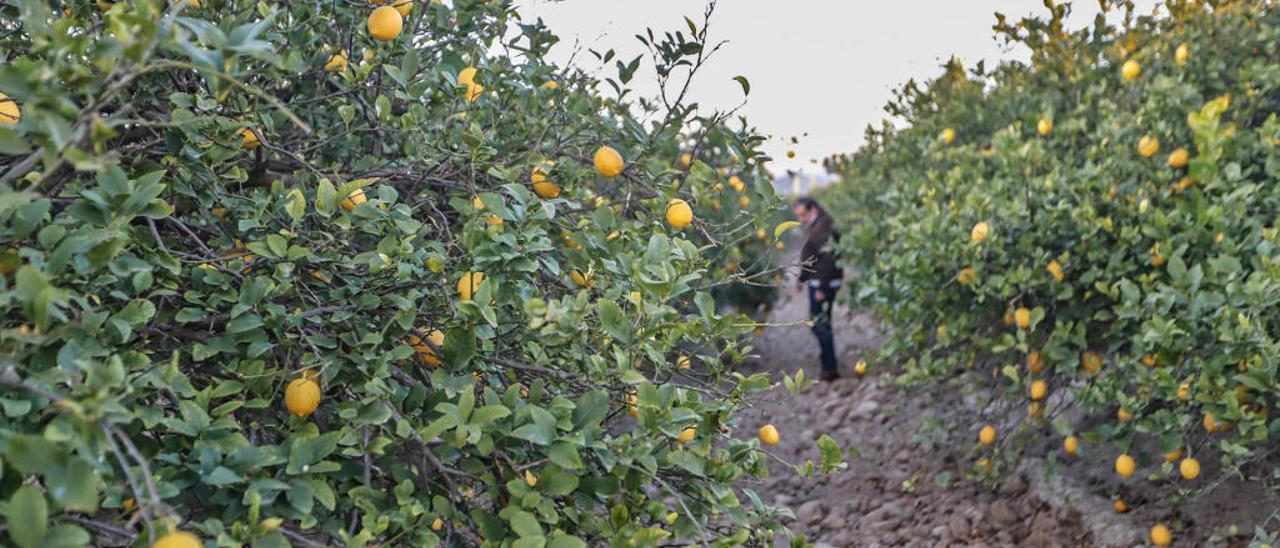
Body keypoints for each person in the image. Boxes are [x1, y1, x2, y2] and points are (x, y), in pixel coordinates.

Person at [793, 197, 843, 382]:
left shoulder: (825, 226)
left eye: (803, 214)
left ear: (812, 209)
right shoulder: (817, 224)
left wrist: (822, 286)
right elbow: (812, 254)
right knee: (820, 323)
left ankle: (830, 369)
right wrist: (802, 277)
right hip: (817, 281)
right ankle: (828, 365)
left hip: (825, 283)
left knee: (820, 323)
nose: (802, 219)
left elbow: (828, 259)